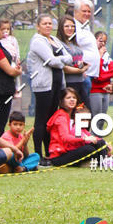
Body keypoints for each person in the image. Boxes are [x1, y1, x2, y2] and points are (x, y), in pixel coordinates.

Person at [27, 14, 72, 165]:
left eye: (49, 23)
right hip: (44, 85)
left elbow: (69, 56)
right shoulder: (37, 41)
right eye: (44, 23)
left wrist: (60, 60)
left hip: (58, 84)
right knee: (41, 119)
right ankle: (38, 154)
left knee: (52, 120)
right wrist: (62, 61)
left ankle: (50, 152)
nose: (48, 26)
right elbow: (50, 61)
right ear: (38, 26)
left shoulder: (55, 40)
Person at [47, 87, 108, 167]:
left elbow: (85, 133)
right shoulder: (60, 117)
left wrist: (102, 142)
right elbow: (65, 138)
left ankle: (101, 164)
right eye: (68, 98)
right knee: (89, 149)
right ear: (61, 102)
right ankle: (93, 163)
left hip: (72, 149)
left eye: (74, 97)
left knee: (100, 142)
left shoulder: (75, 115)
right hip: (60, 156)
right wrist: (84, 139)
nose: (72, 100)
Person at [72, 0, 100, 107]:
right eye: (84, 11)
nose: (87, 14)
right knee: (82, 105)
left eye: (89, 11)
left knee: (87, 105)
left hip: (91, 73)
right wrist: (80, 69)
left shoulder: (85, 26)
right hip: (83, 74)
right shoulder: (73, 27)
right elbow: (72, 48)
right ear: (76, 12)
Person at [55, 16, 89, 96]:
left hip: (80, 81)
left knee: (85, 108)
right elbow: (63, 67)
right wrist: (80, 70)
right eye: (67, 26)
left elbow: (77, 61)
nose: (70, 28)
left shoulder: (73, 43)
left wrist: (83, 65)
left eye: (73, 26)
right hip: (69, 83)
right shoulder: (58, 44)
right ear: (61, 28)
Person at [89, 31, 113, 117]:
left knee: (103, 118)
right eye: (100, 41)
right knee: (96, 118)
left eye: (105, 42)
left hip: (105, 90)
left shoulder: (106, 56)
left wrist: (104, 76)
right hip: (95, 90)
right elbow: (96, 75)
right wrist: (99, 56)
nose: (103, 44)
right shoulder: (91, 54)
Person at [0, 20, 23, 113]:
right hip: (4, 62)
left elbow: (17, 51)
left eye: (8, 29)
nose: (6, 31)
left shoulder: (12, 39)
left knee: (15, 71)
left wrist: (18, 60)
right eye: (3, 29)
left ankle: (17, 89)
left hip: (12, 61)